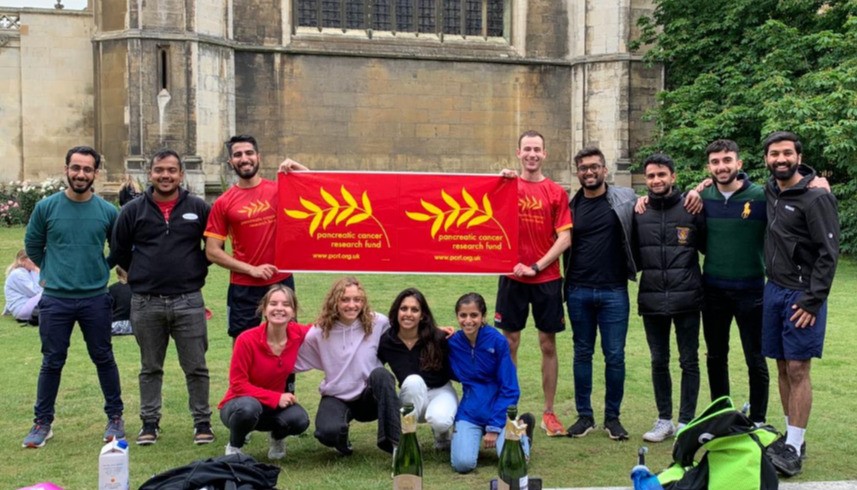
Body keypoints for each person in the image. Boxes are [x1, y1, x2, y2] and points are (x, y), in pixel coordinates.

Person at [22, 145, 125, 448]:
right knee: (52, 361)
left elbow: (118, 249)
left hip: (95, 298)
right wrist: (52, 270)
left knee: (104, 358)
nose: (81, 174)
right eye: (76, 168)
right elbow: (33, 245)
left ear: (96, 173)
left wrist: (100, 267)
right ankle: (42, 423)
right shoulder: (47, 208)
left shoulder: (107, 212)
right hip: (56, 299)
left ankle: (115, 418)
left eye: (87, 169)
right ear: (66, 169)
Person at [112, 149, 214, 446]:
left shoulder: (198, 207)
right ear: (150, 173)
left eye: (171, 170)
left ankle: (202, 422)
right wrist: (142, 273)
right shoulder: (132, 210)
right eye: (159, 170)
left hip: (188, 300)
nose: (165, 175)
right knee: (150, 367)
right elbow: (119, 250)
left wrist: (191, 268)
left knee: (196, 366)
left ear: (181, 175)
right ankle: (149, 423)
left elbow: (212, 247)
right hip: (146, 301)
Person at [760, 131, 839, 477]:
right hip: (774, 290)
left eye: (787, 153)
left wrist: (812, 300)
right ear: (766, 159)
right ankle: (793, 437)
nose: (781, 159)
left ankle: (793, 446)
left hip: (802, 295)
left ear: (798, 156)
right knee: (780, 366)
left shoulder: (815, 197)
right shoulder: (771, 190)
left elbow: (828, 253)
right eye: (774, 154)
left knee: (798, 369)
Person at [497, 130, 572, 437]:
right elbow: (479, 203)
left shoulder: (556, 192)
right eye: (526, 149)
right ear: (518, 153)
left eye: (536, 149)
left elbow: (565, 237)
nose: (531, 154)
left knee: (547, 344)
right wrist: (497, 179)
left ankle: (549, 413)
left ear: (544, 154)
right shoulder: (507, 187)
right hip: (512, 276)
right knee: (509, 343)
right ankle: (510, 410)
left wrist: (537, 265)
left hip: (546, 278)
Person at [563, 147, 637, 440]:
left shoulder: (625, 200)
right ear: (578, 172)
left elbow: (660, 199)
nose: (589, 172)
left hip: (614, 291)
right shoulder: (570, 207)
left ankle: (613, 418)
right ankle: (585, 416)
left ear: (604, 169)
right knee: (582, 354)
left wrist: (702, 187)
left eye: (594, 167)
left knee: (615, 356)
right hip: (579, 290)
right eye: (583, 168)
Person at [632, 153, 706, 443]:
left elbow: (706, 245)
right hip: (652, 299)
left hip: (687, 298)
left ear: (672, 177)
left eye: (662, 174)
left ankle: (686, 421)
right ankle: (664, 419)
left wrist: (701, 188)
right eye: (651, 176)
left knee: (689, 361)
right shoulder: (638, 212)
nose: (656, 180)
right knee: (658, 361)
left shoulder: (692, 207)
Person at [204, 134, 307, 340]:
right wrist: (252, 269)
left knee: (286, 341)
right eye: (238, 155)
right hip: (243, 286)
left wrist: (299, 168)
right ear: (230, 162)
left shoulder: (279, 190)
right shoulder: (223, 202)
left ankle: (284, 375)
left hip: (280, 281)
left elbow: (321, 190)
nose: (244, 158)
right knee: (242, 342)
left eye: (249, 153)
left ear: (258, 157)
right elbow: (212, 252)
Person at [697, 139, 769, 425]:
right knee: (716, 356)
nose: (721, 166)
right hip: (712, 289)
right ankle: (722, 415)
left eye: (727, 160)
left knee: (756, 358)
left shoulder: (761, 196)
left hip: (751, 290)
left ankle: (759, 419)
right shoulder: (702, 198)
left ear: (739, 163)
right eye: (715, 162)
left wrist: (817, 184)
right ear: (709, 167)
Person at [295, 276, 400, 455]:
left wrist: (437, 332)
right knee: (326, 433)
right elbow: (293, 360)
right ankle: (342, 441)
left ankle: (396, 446)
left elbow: (407, 336)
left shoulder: (378, 322)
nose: (352, 305)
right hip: (337, 396)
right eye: (345, 299)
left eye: (357, 300)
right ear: (334, 301)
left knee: (381, 374)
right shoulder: (319, 332)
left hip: (369, 395)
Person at [219, 284, 311, 459]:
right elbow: (238, 385)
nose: (279, 309)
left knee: (300, 420)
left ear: (293, 311)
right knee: (248, 408)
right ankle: (235, 446)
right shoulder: (246, 339)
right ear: (264, 309)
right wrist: (276, 397)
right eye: (273, 303)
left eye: (286, 304)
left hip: (272, 407)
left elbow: (323, 327)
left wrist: (363, 315)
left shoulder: (298, 333)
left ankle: (277, 438)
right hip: (238, 405)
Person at [448, 292, 534, 473]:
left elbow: (510, 388)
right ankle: (470, 435)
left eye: (474, 315)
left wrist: (494, 427)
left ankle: (522, 429)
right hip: (470, 413)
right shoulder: (453, 343)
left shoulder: (498, 341)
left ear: (483, 316)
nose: (468, 320)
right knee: (462, 465)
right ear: (457, 316)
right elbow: (424, 338)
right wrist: (438, 331)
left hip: (499, 415)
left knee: (514, 465)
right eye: (463, 315)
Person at [377, 288, 458, 450]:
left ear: (422, 315)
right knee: (414, 381)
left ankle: (442, 434)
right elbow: (373, 366)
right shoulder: (387, 341)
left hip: (440, 390)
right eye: (404, 308)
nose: (408, 314)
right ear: (396, 311)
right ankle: (408, 438)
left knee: (440, 421)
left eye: (415, 310)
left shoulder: (438, 337)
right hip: (412, 395)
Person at [4, 249, 43, 325]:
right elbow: (36, 291)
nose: (37, 261)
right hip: (22, 308)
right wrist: (40, 273)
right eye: (33, 259)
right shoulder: (18, 274)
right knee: (51, 293)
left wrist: (6, 311)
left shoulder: (29, 271)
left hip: (26, 305)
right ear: (22, 260)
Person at [108, 269, 133, 335]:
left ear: (118, 276)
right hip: (134, 325)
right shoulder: (139, 288)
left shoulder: (112, 289)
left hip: (115, 325)